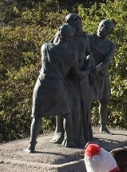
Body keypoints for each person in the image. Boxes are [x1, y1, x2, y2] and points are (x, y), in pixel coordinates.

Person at [26, 24, 86, 153]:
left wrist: (59, 33)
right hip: (57, 86)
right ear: (70, 38)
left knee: (36, 116)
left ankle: (31, 146)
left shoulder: (46, 48)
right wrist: (87, 70)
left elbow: (52, 41)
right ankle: (69, 141)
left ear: (58, 34)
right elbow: (77, 75)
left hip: (42, 84)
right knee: (67, 114)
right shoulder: (71, 56)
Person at [52, 13, 94, 146]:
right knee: (71, 107)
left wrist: (89, 64)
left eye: (80, 24)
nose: (79, 26)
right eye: (76, 24)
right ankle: (68, 137)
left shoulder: (84, 36)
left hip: (82, 75)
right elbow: (53, 52)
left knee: (83, 106)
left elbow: (88, 53)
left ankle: (83, 136)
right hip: (67, 77)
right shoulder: (62, 37)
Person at [89, 19, 117, 134]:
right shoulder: (88, 39)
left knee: (104, 100)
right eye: (101, 26)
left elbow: (107, 60)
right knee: (87, 101)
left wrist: (98, 68)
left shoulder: (110, 45)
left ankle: (103, 125)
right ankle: (86, 126)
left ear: (110, 32)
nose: (102, 30)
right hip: (89, 74)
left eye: (106, 29)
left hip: (102, 74)